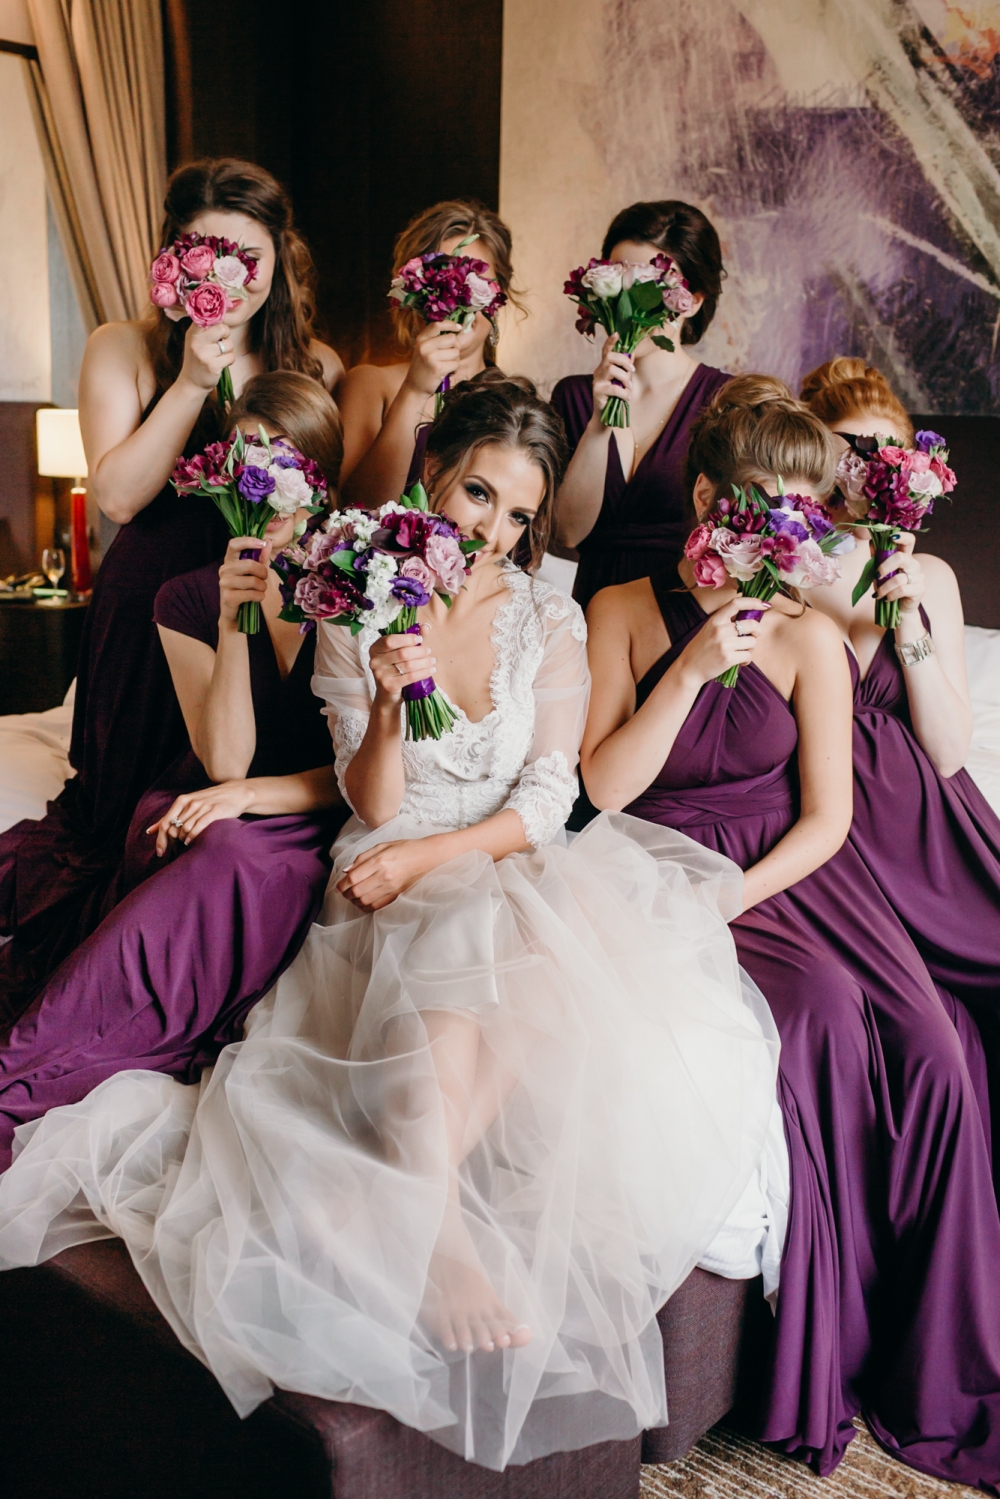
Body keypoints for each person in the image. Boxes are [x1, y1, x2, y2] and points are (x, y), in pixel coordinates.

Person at [0, 375, 780, 1473]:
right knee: (470, 924)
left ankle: (418, 1198)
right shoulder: (359, 600)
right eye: (478, 494)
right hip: (382, 855)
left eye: (520, 511)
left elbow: (549, 798)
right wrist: (379, 699)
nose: (494, 530)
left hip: (496, 850)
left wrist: (438, 855)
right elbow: (370, 802)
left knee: (532, 933)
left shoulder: (551, 617)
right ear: (433, 473)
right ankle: (439, 1224)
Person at [581, 376, 1000, 1492]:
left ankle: (936, 1355)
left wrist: (739, 893)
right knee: (816, 1019)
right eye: (761, 502)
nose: (784, 529)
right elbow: (604, 787)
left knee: (938, 1050)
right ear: (706, 498)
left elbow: (829, 817)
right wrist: (692, 665)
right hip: (659, 860)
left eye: (801, 512)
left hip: (793, 872)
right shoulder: (621, 608)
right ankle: (823, 1351)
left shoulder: (814, 635)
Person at [0, 159, 343, 1016]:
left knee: (226, 794)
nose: (230, 273)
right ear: (173, 258)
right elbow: (117, 497)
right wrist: (192, 378)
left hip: (254, 611)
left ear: (279, 257)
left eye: (249, 255)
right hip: (151, 598)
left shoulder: (314, 363)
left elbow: (325, 501)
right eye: (208, 250)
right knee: (126, 820)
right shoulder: (122, 346)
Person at [0, 372, 347, 1168]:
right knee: (188, 838)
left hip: (305, 809)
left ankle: (21, 1079)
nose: (266, 481)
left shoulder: (352, 593)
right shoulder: (184, 599)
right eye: (248, 459)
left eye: (286, 460)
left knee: (232, 853)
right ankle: (29, 1068)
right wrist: (233, 620)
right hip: (206, 796)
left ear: (319, 479)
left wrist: (248, 796)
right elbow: (224, 759)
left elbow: (356, 772)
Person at [801, 357, 1000, 1162]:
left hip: (930, 830)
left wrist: (907, 612)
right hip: (837, 829)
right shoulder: (785, 562)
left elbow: (949, 750)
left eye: (883, 455)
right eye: (847, 449)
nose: (865, 471)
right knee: (934, 1031)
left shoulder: (932, 578)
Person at [552, 200, 730, 611]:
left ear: (694, 299)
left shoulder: (727, 401)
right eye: (619, 286)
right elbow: (566, 534)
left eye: (651, 289)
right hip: (589, 609)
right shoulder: (572, 397)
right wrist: (600, 422)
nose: (629, 307)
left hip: (685, 609)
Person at [338, 200, 518, 508]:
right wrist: (414, 391)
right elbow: (356, 507)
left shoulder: (517, 402)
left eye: (476, 283)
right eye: (443, 282)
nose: (459, 300)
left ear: (498, 297)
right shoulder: (369, 384)